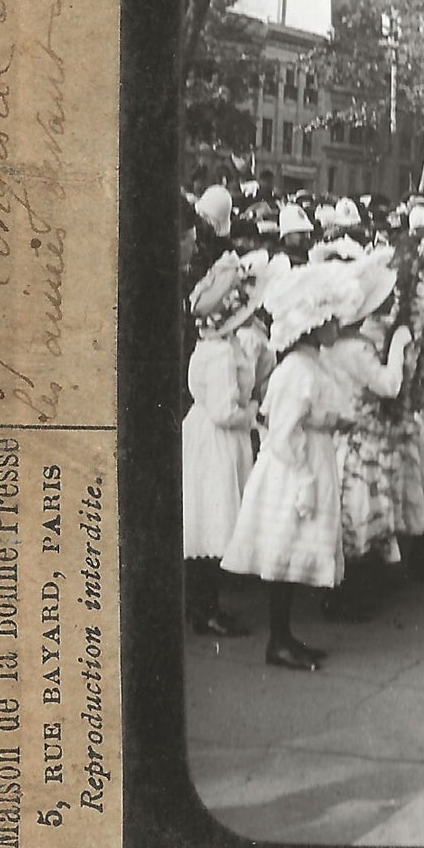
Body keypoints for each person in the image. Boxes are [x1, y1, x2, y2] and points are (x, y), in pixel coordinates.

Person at [222, 261, 358, 670]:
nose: (337, 324)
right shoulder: (297, 370)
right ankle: (278, 641)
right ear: (313, 325)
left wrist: (334, 421)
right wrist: (303, 477)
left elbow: (316, 412)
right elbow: (282, 431)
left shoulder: (313, 363)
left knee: (296, 550)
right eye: (330, 318)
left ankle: (285, 637)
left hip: (313, 455)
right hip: (294, 467)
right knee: (285, 549)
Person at [321, 249, 412, 621]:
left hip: (347, 436)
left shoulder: (334, 346)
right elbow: (388, 385)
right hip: (362, 438)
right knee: (360, 514)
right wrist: (399, 347)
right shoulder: (357, 349)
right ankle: (348, 595)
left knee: (352, 512)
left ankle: (351, 591)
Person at [183, 252, 265, 637]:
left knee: (214, 520)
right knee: (212, 521)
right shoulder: (217, 354)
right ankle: (204, 608)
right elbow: (224, 410)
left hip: (218, 439)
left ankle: (207, 605)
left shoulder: (224, 346)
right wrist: (253, 410)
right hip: (216, 439)